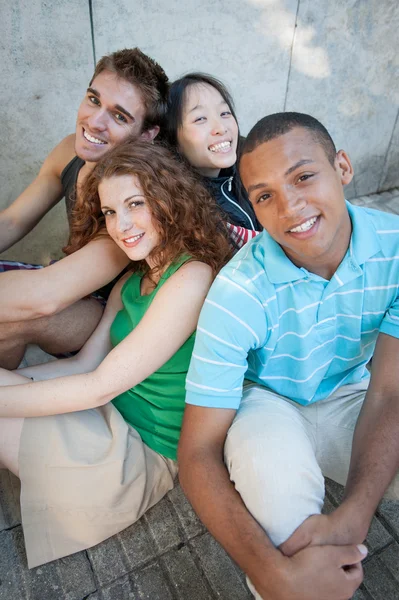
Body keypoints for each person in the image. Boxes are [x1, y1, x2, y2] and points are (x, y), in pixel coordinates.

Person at [178, 112, 399, 600]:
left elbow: (388, 392)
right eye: (264, 196)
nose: (290, 206)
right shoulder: (236, 293)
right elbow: (196, 453)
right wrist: (273, 575)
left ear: (342, 167)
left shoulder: (396, 249)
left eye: (303, 176)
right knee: (288, 539)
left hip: (353, 389)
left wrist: (354, 515)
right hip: (269, 404)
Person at [0, 140, 231, 569]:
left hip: (137, 460)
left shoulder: (192, 276)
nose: (121, 224)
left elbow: (96, 386)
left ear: (168, 197)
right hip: (104, 418)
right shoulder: (132, 278)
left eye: (135, 204)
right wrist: (12, 385)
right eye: (109, 212)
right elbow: (83, 365)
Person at [0, 48, 169, 369]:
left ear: (146, 136)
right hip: (67, 284)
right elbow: (12, 220)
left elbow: (44, 297)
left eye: (119, 116)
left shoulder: (136, 198)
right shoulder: (69, 151)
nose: (95, 122)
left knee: (12, 319)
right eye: (94, 100)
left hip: (110, 314)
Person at [166, 73, 261, 248]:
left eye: (225, 113)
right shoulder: (184, 213)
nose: (221, 128)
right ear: (173, 138)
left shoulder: (249, 172)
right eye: (200, 118)